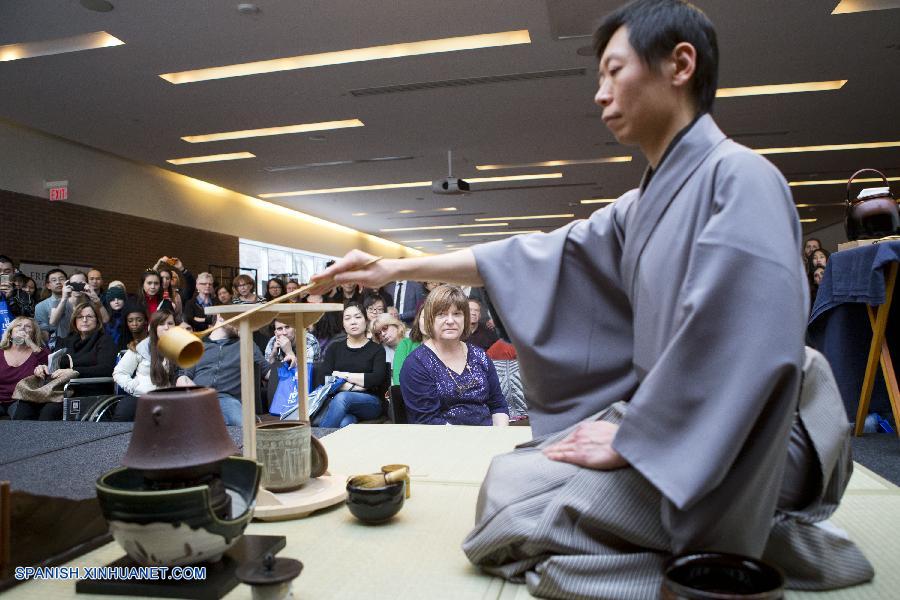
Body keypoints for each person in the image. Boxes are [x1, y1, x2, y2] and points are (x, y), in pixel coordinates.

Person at [312, 0, 871, 594]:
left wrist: (635, 437)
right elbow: (533, 256)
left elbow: (741, 350)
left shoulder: (743, 179)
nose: (601, 93)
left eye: (614, 70)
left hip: (740, 440)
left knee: (516, 515)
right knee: (510, 477)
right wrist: (390, 266)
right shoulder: (641, 205)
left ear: (680, 64)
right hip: (669, 422)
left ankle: (751, 541)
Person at [400, 285, 509, 426]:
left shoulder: (480, 355)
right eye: (441, 314)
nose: (450, 321)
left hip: (490, 439)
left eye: (457, 313)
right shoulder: (416, 364)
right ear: (429, 320)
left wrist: (499, 437)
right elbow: (428, 421)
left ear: (465, 318)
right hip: (444, 442)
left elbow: (498, 405)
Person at [24, 302, 116, 419]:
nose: (84, 320)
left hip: (88, 390)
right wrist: (44, 368)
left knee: (49, 412)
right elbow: (54, 364)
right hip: (60, 389)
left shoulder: (105, 341)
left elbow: (106, 369)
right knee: (24, 407)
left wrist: (74, 372)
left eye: (89, 316)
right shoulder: (67, 340)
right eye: (80, 317)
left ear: (97, 320)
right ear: (74, 320)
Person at [176, 313, 268, 426]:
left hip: (227, 399)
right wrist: (202, 396)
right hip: (197, 398)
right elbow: (182, 379)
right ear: (221, 316)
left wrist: (289, 355)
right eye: (237, 319)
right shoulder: (197, 345)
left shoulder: (246, 343)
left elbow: (268, 372)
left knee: (240, 422)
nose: (240, 324)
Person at [315, 303, 387, 428]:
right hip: (336, 403)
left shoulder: (377, 350)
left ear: (366, 320)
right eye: (347, 318)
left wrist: (343, 376)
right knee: (345, 422)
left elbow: (376, 379)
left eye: (357, 317)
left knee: (343, 398)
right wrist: (359, 385)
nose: (353, 322)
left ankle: (317, 442)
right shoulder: (334, 348)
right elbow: (324, 378)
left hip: (370, 402)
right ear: (343, 324)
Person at [112, 309, 178, 421]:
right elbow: (119, 373)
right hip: (141, 396)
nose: (166, 327)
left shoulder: (181, 346)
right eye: (161, 324)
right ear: (154, 327)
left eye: (170, 323)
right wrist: (133, 386)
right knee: (124, 412)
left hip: (171, 399)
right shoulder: (141, 347)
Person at [0, 317, 48, 419]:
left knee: (24, 416)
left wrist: (30, 343)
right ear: (10, 333)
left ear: (34, 334)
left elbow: (51, 363)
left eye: (28, 326)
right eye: (18, 325)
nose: (22, 328)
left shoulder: (39, 352)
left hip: (23, 399)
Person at [49, 271, 105, 342]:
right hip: (65, 343)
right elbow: (53, 322)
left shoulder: (92, 303)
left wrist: (96, 299)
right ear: (68, 284)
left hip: (87, 343)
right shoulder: (59, 301)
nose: (77, 287)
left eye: (81, 284)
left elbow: (105, 320)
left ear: (87, 284)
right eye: (74, 284)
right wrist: (64, 298)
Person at [391, 307, 425, 386]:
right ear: (418, 320)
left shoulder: (444, 346)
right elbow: (398, 379)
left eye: (431, 318)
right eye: (424, 317)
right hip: (408, 395)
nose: (428, 322)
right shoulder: (406, 344)